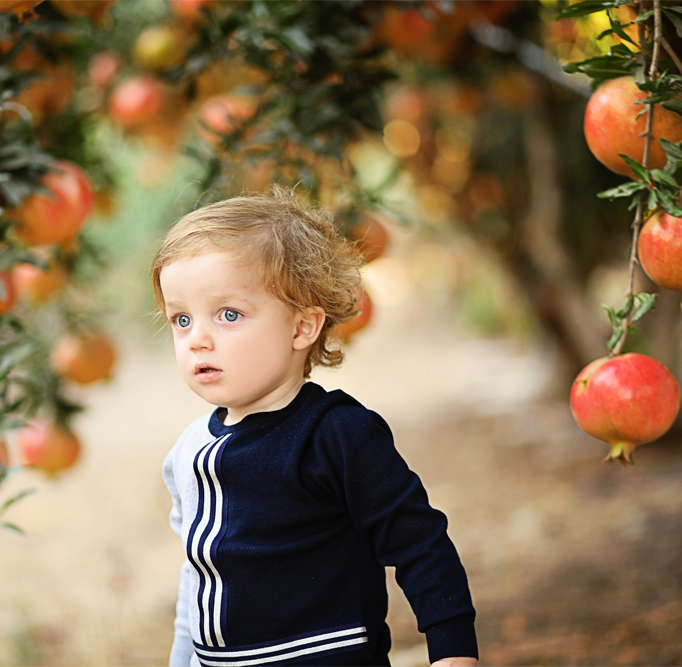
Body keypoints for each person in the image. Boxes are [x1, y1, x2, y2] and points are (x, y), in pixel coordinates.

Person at [150, 188, 478, 667]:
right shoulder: (189, 452)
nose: (198, 339)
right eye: (182, 318)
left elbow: (420, 544)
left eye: (229, 314)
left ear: (302, 327)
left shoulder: (339, 436)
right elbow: (199, 578)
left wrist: (453, 653)